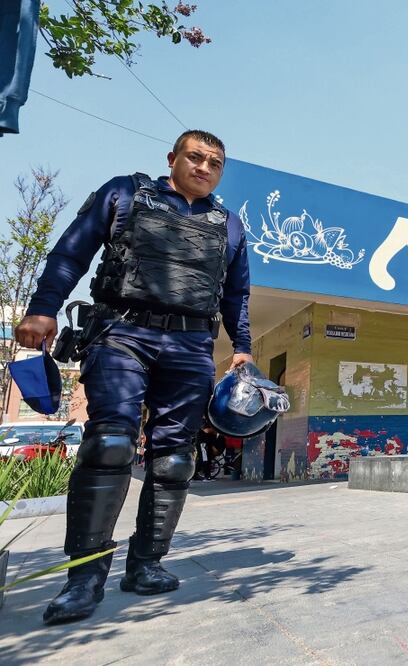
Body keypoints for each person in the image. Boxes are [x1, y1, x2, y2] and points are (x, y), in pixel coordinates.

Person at [15, 130, 253, 624]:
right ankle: (83, 578)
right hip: (122, 332)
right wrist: (43, 308)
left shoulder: (229, 225)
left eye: (215, 163)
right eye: (195, 157)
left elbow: (236, 295)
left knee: (175, 460)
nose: (204, 168)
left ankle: (146, 565)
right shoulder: (124, 193)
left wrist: (243, 347)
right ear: (172, 158)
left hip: (191, 345)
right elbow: (71, 252)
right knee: (109, 446)